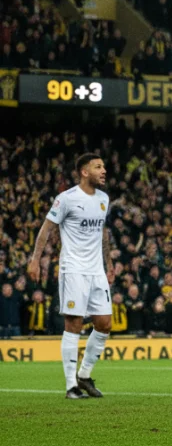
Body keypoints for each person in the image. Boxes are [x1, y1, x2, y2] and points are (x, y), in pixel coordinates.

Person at [27, 153, 115, 399]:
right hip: (74, 269)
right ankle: (70, 386)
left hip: (97, 270)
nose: (104, 170)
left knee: (105, 324)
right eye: (98, 167)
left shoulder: (103, 199)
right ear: (84, 172)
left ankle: (84, 375)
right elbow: (46, 229)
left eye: (104, 166)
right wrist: (35, 260)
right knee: (74, 323)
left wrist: (109, 263)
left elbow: (102, 232)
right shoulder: (66, 199)